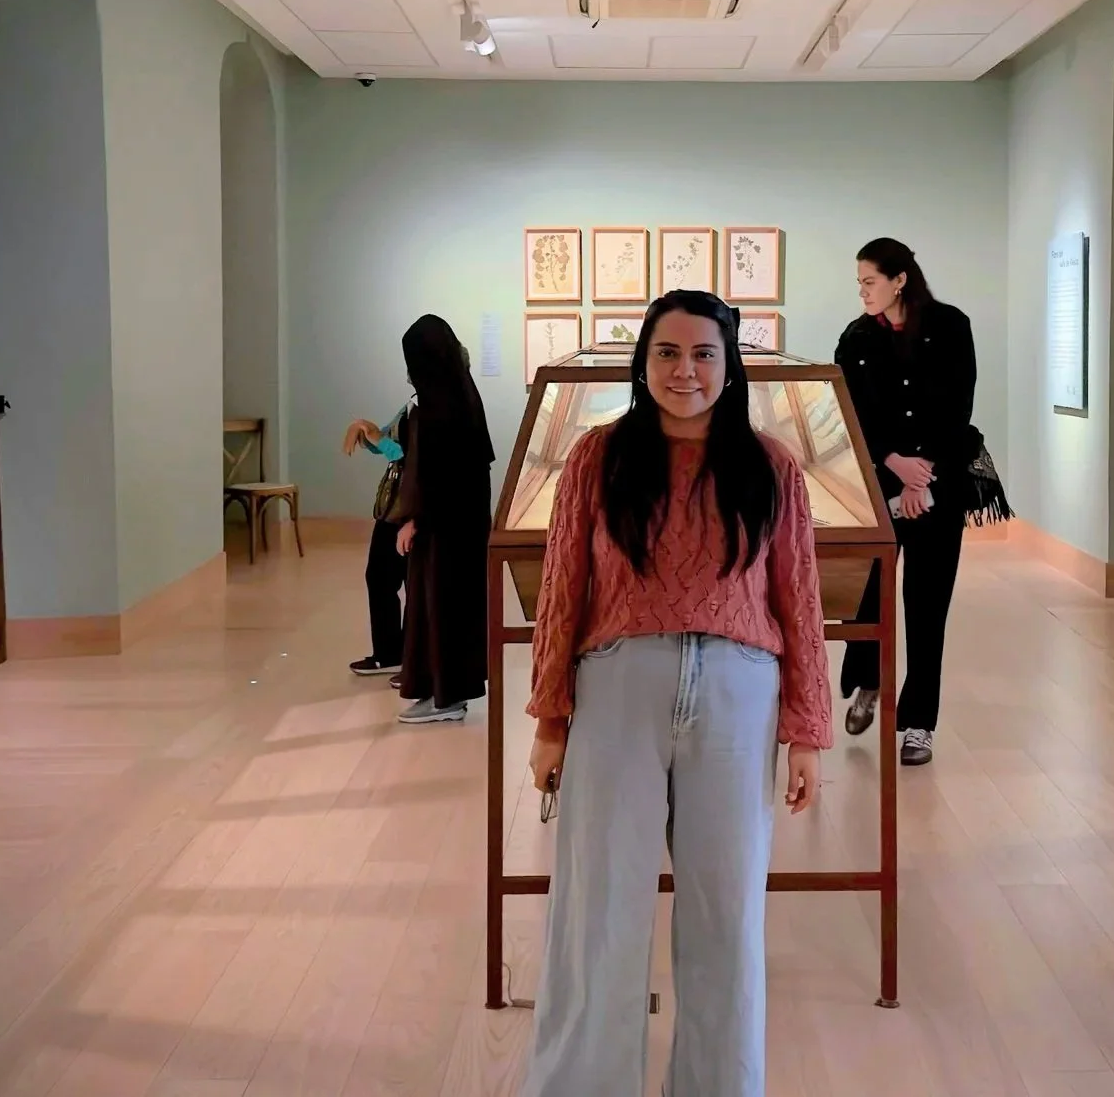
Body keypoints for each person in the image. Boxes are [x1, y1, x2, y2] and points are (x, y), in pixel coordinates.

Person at [521, 290, 829, 1097]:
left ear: (729, 368)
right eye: (667, 353)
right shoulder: (597, 457)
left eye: (703, 354)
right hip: (618, 687)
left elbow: (798, 598)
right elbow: (564, 591)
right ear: (642, 361)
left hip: (738, 696)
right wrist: (551, 718)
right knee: (599, 914)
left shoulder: (770, 467)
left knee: (726, 919)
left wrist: (807, 731)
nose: (684, 371)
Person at [835, 237, 978, 767]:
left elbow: (957, 407)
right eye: (859, 284)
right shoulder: (855, 339)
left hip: (941, 483)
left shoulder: (951, 326)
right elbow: (850, 415)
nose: (863, 292)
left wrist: (924, 479)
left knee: (927, 604)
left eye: (869, 281)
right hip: (880, 483)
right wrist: (894, 465)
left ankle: (919, 724)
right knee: (869, 593)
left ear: (899, 280)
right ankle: (868, 682)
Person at [389, 314, 494, 724]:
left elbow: (439, 472)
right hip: (462, 524)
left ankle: (445, 696)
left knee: (440, 606)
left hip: (445, 528)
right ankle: (447, 690)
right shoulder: (460, 392)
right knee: (451, 606)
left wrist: (415, 520)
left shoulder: (441, 405)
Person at [342, 402, 410, 679]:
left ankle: (408, 659)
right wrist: (371, 437)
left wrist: (379, 440)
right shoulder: (414, 403)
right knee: (380, 578)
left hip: (411, 507)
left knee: (410, 585)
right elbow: (389, 439)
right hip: (395, 508)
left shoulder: (438, 403)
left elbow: (412, 456)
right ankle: (390, 653)